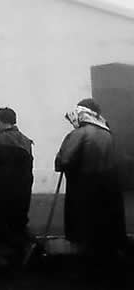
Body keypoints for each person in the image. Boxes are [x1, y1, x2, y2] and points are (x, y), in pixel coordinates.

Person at [55, 98, 126, 265]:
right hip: (108, 185)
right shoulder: (106, 132)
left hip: (84, 186)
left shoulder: (78, 134)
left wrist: (60, 160)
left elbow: (64, 160)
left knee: (85, 227)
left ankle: (88, 265)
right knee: (104, 224)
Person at [0, 107, 35, 264]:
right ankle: (24, 249)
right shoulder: (26, 140)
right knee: (17, 221)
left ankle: (2, 258)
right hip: (23, 189)